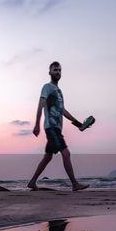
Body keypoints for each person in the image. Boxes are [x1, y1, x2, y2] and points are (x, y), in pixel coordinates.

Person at [28, 61, 89, 191]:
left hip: (56, 128)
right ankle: (74, 184)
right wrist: (37, 124)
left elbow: (63, 111)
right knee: (66, 153)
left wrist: (78, 124)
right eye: (55, 70)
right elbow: (41, 105)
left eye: (59, 70)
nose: (57, 72)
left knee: (48, 157)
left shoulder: (59, 92)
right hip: (51, 128)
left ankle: (32, 182)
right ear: (50, 72)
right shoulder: (47, 87)